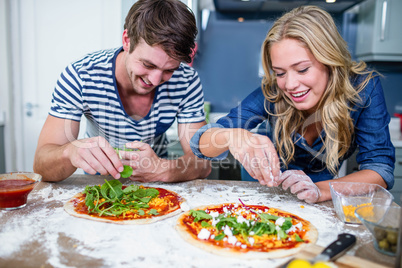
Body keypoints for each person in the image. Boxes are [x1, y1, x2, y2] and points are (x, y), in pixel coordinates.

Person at [190, 6, 395, 203]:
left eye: (303, 69)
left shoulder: (363, 88)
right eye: (280, 73)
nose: (289, 85)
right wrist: (232, 136)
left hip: (325, 189)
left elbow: (380, 170)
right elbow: (199, 143)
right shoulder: (274, 91)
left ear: (330, 61)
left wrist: (321, 190)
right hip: (267, 188)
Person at [34, 0, 211, 182]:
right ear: (127, 40)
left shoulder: (187, 81)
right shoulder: (81, 75)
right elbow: (41, 165)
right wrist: (69, 152)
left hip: (159, 183)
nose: (155, 80)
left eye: (169, 70)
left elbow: (203, 162)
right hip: (99, 183)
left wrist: (166, 170)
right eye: (148, 64)